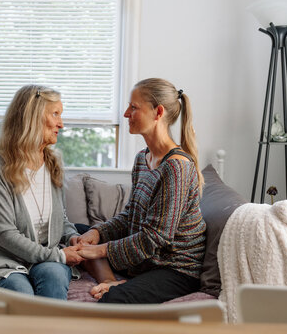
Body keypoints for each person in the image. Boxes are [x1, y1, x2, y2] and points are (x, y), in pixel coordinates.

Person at [76, 78, 206, 304]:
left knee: (111, 301)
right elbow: (130, 216)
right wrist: (96, 235)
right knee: (77, 232)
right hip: (145, 261)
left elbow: (154, 239)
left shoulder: (176, 167)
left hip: (174, 268)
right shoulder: (142, 159)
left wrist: (98, 251)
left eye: (134, 107)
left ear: (158, 112)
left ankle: (114, 287)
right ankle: (110, 280)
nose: (126, 113)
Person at [0, 84, 83, 300]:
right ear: (33, 116)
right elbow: (4, 233)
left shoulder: (53, 162)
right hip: (0, 255)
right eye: (55, 114)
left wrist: (72, 236)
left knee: (54, 279)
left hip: (45, 255)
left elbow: (60, 218)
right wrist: (58, 256)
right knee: (21, 293)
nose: (61, 124)